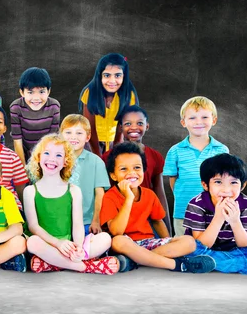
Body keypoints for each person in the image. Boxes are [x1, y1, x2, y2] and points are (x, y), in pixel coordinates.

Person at [100, 142, 216, 273]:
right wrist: (129, 199)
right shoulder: (109, 196)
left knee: (189, 242)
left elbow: (157, 221)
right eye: (123, 169)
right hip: (126, 244)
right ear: (113, 175)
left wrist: (168, 241)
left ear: (143, 170)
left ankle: (136, 261)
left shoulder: (149, 194)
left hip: (148, 243)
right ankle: (175, 264)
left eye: (137, 168)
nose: (131, 173)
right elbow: (116, 232)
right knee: (118, 241)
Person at [24, 134, 118, 274]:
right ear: (38, 157)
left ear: (66, 162)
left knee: (105, 239)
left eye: (58, 155)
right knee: (32, 242)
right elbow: (33, 226)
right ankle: (84, 266)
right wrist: (57, 243)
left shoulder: (74, 190)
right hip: (46, 244)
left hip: (69, 245)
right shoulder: (30, 191)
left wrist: (78, 248)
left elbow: (78, 225)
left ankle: (55, 264)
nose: (51, 159)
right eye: (47, 153)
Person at [163, 96, 229, 236]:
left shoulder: (221, 150)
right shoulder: (175, 151)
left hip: (213, 209)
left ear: (214, 120)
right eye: (192, 118)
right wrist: (183, 196)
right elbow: (173, 180)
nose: (199, 122)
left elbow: (225, 180)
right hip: (183, 210)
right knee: (184, 245)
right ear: (183, 122)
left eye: (204, 117)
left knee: (211, 243)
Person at [102, 105, 171, 236]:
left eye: (139, 123)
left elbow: (159, 192)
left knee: (184, 242)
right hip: (120, 217)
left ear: (147, 126)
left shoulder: (155, 156)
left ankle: (150, 255)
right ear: (121, 128)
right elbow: (105, 191)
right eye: (128, 123)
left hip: (147, 218)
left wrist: (168, 230)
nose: (134, 127)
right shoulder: (108, 157)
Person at [78, 53, 138, 157]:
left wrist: (115, 152)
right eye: (107, 75)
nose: (112, 81)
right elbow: (90, 128)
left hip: (116, 141)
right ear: (100, 75)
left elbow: (122, 130)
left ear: (124, 76)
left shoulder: (129, 96)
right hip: (91, 142)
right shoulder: (90, 92)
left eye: (117, 75)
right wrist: (98, 156)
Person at [60, 114, 111, 236]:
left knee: (99, 241)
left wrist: (96, 220)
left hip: (86, 221)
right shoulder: (54, 159)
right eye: (68, 132)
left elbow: (99, 194)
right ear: (61, 135)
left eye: (79, 133)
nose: (73, 137)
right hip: (59, 221)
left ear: (87, 137)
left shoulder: (96, 162)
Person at [10, 67, 61, 166]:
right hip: (24, 155)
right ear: (22, 92)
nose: (36, 98)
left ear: (48, 91)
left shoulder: (54, 106)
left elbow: (52, 139)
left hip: (47, 153)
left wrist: (44, 164)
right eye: (30, 92)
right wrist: (24, 169)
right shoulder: (16, 107)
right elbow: (17, 142)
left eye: (41, 92)